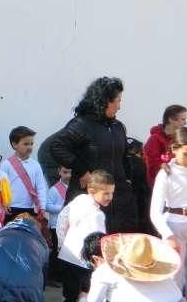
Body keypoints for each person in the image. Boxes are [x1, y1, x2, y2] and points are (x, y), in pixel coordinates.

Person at [50, 77, 137, 233]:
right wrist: (82, 170)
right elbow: (57, 147)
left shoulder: (118, 127)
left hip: (117, 200)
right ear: (104, 101)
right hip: (89, 197)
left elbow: (124, 157)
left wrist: (128, 180)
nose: (119, 106)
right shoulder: (82, 124)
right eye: (116, 101)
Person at [56, 169, 115, 302]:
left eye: (111, 193)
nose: (110, 197)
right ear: (92, 191)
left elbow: (61, 220)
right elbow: (98, 243)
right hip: (85, 263)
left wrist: (62, 245)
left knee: (69, 297)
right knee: (88, 297)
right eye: (106, 193)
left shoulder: (78, 200)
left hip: (67, 256)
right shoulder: (98, 215)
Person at [150, 127, 187, 302]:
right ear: (175, 148)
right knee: (176, 283)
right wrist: (168, 235)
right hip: (174, 228)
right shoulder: (166, 174)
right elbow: (155, 211)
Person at [0, 126, 48, 223]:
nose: (30, 147)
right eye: (26, 144)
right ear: (14, 144)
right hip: (11, 209)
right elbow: (1, 186)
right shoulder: (6, 164)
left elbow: (41, 187)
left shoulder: (36, 165)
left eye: (31, 144)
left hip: (30, 209)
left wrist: (42, 206)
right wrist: (3, 204)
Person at [143, 104, 187, 187]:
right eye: (183, 119)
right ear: (171, 119)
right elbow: (152, 163)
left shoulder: (181, 138)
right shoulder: (155, 139)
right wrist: (167, 168)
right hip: (161, 186)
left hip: (179, 186)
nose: (185, 123)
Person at [45, 165, 72, 282]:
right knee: (56, 251)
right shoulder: (54, 190)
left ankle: (62, 276)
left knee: (66, 252)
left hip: (69, 225)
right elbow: (47, 206)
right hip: (56, 225)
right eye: (65, 172)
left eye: (70, 172)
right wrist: (62, 208)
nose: (68, 175)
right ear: (59, 171)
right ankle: (52, 276)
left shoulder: (74, 187)